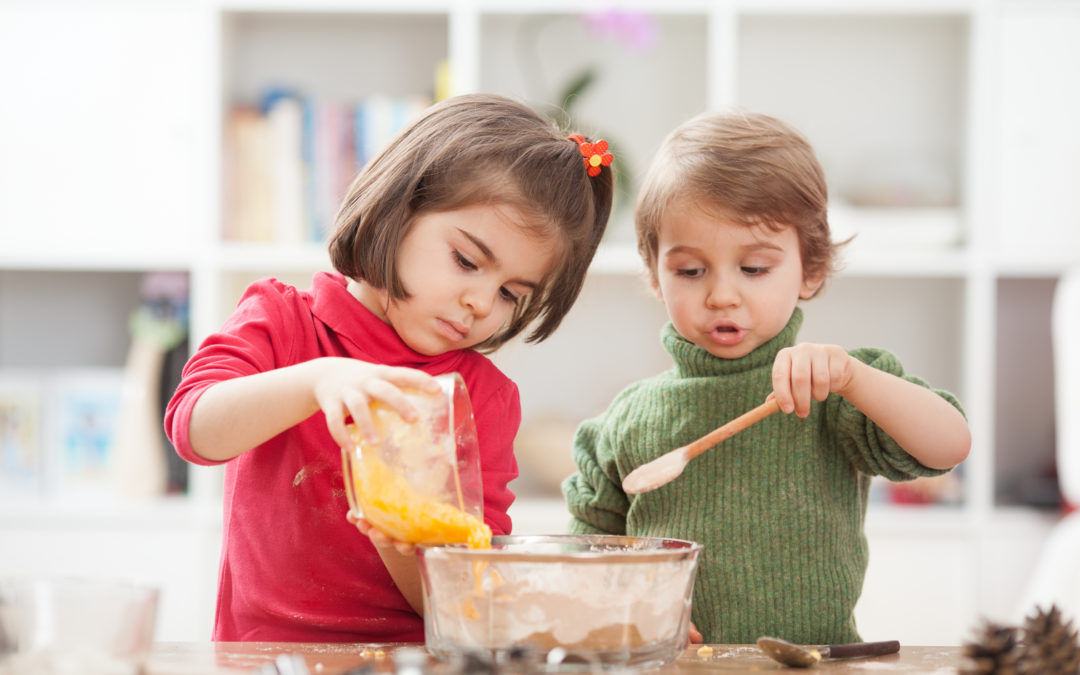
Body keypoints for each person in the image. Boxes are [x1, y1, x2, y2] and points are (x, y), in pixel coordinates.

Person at [165, 93, 614, 642]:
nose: (479, 302)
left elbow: (462, 605)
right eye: (467, 261)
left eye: (510, 294)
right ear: (397, 210)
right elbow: (194, 429)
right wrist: (319, 380)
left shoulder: (483, 396)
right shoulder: (282, 322)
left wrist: (399, 528)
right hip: (265, 656)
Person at [562, 110, 970, 645]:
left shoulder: (835, 392)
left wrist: (852, 378)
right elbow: (581, 560)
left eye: (753, 269)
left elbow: (950, 445)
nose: (722, 294)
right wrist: (623, 609)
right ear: (654, 272)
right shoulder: (624, 423)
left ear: (813, 267)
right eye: (690, 270)